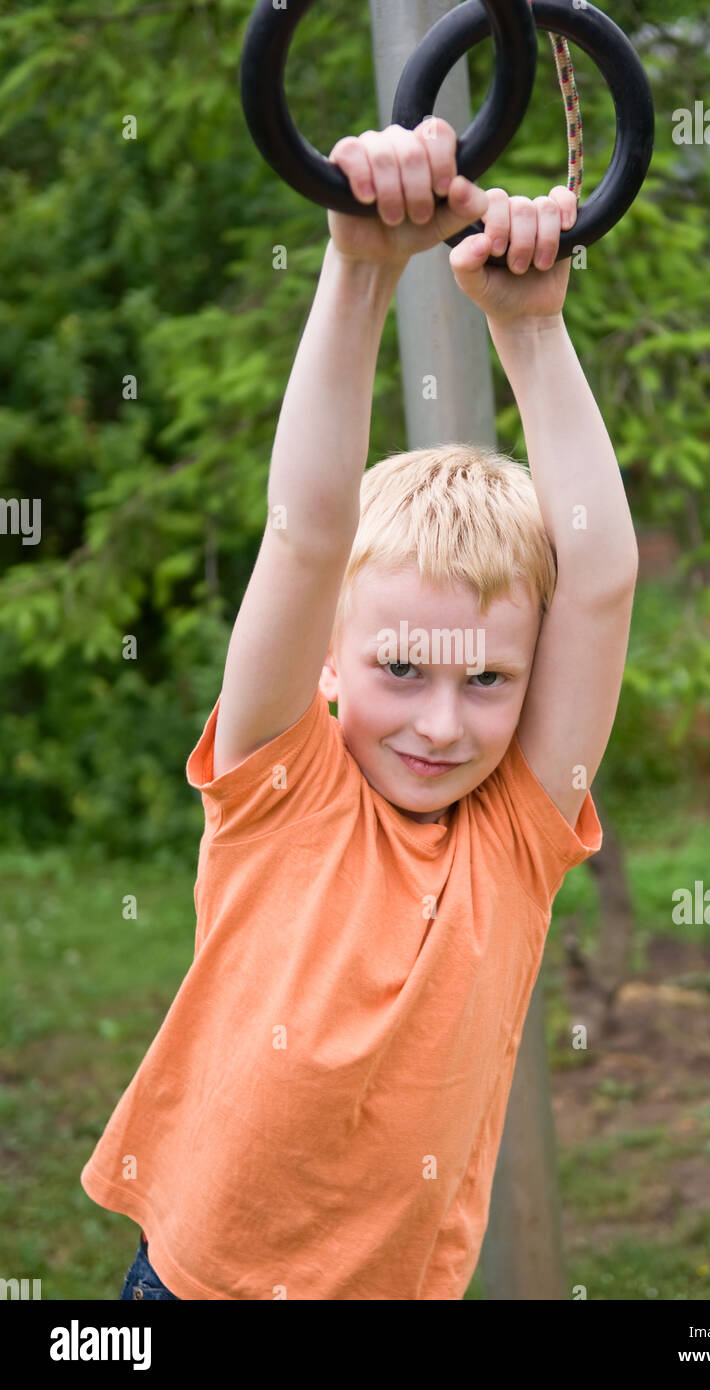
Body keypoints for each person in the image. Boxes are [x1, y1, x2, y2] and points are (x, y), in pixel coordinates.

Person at [81, 118, 638, 1301]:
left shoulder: (513, 839)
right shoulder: (278, 785)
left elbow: (596, 578)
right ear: (328, 661)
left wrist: (532, 335)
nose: (442, 720)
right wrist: (357, 265)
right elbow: (307, 527)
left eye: (487, 680)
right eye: (402, 669)